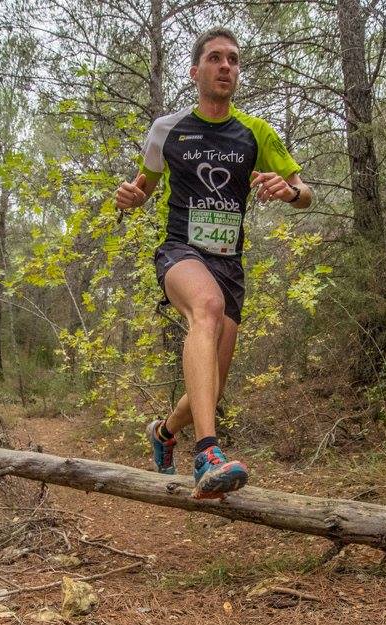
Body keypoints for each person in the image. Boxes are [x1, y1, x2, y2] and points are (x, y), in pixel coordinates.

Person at [114, 27, 313, 499]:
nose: (226, 66)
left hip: (230, 265)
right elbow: (145, 186)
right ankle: (207, 453)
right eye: (216, 58)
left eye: (234, 60)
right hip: (181, 253)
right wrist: (130, 196)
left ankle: (163, 433)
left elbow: (306, 193)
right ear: (195, 70)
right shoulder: (168, 129)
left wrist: (290, 191)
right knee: (204, 307)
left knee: (212, 387)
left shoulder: (256, 132)